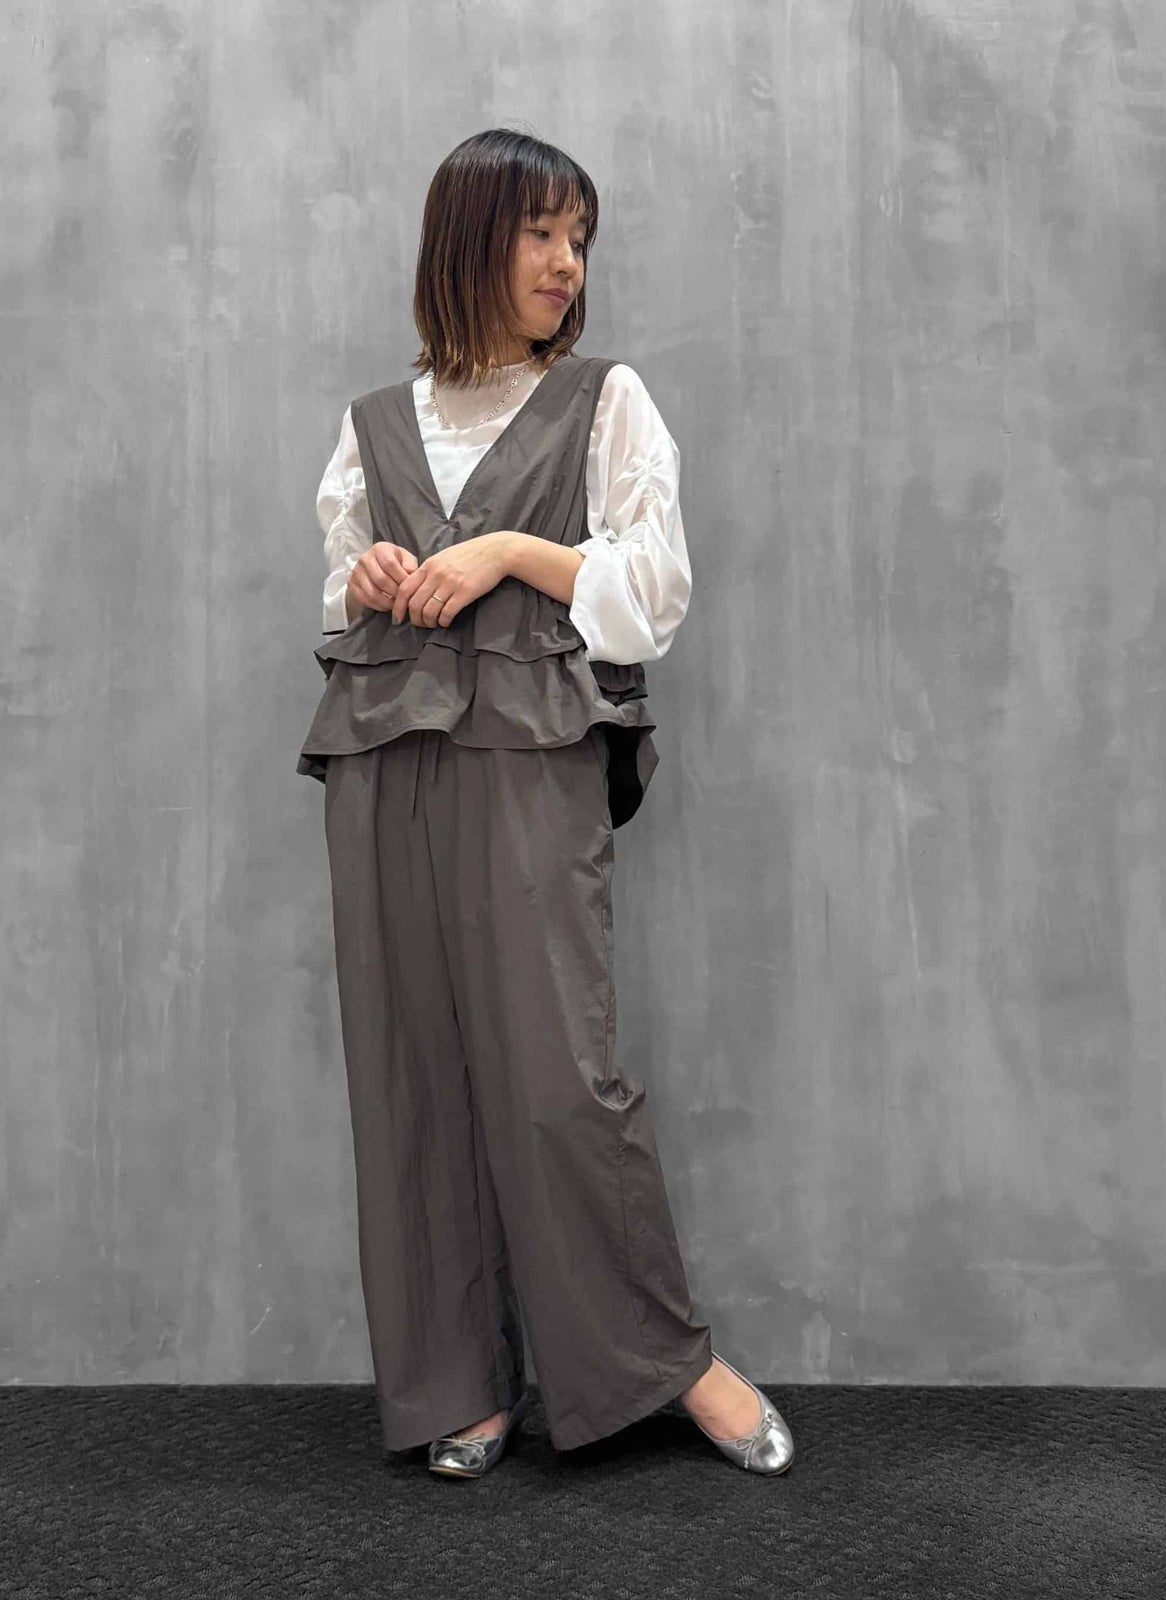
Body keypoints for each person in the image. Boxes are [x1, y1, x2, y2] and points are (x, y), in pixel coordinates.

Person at [296, 129, 794, 1479]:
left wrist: (513, 551)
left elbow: (651, 598)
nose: (568, 262)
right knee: (410, 1068)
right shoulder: (373, 423)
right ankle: (457, 1381)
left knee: (563, 1073)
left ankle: (665, 1363)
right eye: (541, 233)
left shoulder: (602, 401)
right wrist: (374, 575)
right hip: (383, 752)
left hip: (529, 746)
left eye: (580, 238)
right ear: (469, 238)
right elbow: (339, 582)